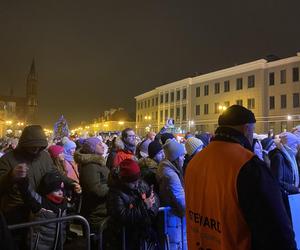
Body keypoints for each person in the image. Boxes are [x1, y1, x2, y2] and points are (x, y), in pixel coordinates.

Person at [185, 105, 296, 250]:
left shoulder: (195, 162)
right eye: (253, 130)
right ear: (246, 128)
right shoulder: (248, 165)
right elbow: (276, 230)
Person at [0, 125, 81, 249]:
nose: (37, 149)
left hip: (39, 211)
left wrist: (71, 183)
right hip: (17, 214)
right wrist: (11, 176)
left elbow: (56, 173)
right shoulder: (7, 159)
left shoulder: (44, 156)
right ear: (24, 143)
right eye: (33, 146)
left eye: (40, 146)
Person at [106, 159, 160, 250]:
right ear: (124, 180)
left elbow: (154, 198)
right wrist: (145, 206)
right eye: (133, 182)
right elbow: (122, 215)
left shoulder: (140, 183)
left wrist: (150, 211)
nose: (136, 184)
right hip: (126, 240)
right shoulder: (115, 193)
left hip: (145, 235)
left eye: (137, 180)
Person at [17, 172, 68, 250]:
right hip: (38, 246)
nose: (60, 192)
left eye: (61, 189)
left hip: (58, 245)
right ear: (48, 190)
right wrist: (23, 179)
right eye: (56, 190)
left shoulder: (64, 203)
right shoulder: (40, 203)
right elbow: (28, 194)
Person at [74, 137, 110, 233]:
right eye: (99, 144)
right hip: (97, 212)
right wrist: (113, 186)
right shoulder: (90, 166)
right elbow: (95, 189)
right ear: (92, 148)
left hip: (102, 210)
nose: (103, 146)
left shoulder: (97, 163)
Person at [156, 138, 187, 250]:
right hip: (173, 218)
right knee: (174, 245)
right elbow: (180, 199)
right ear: (176, 157)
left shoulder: (166, 167)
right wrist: (189, 211)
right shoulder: (171, 175)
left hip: (172, 216)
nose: (184, 157)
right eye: (182, 155)